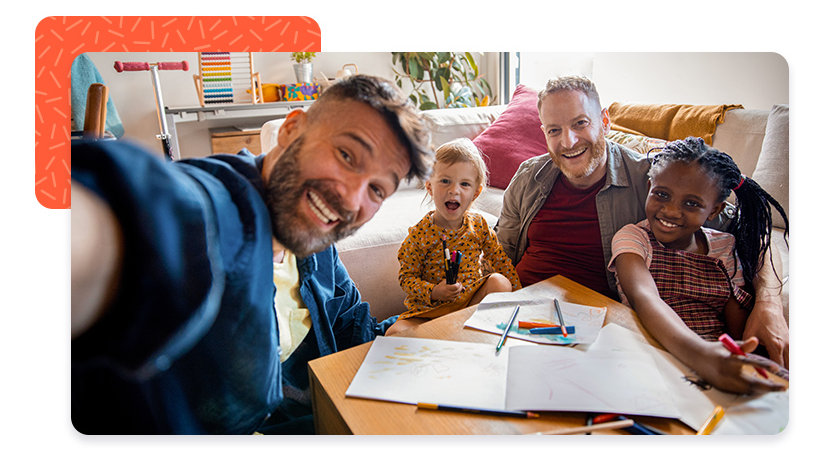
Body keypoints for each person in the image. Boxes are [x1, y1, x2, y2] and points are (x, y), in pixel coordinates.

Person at [71, 74, 433, 434]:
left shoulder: (315, 245)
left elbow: (355, 331)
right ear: (291, 129)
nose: (352, 199)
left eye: (376, 190)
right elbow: (141, 218)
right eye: (346, 155)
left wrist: (426, 331)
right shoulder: (218, 208)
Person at [496, 76, 789, 368]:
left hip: (595, 334)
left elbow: (756, 232)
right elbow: (500, 254)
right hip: (518, 319)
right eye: (554, 130)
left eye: (580, 123)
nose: (568, 141)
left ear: (605, 120)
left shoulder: (656, 185)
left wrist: (769, 303)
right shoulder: (528, 177)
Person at [609, 137, 788, 393]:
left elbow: (736, 323)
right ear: (649, 187)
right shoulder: (633, 238)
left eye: (691, 203)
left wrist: (737, 359)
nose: (671, 211)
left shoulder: (725, 248)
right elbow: (644, 298)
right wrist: (703, 356)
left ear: (714, 211)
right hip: (650, 356)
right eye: (661, 194)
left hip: (716, 364)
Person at [389, 138, 520, 333]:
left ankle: (459, 331)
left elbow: (500, 260)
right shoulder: (419, 235)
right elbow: (406, 278)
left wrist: (520, 297)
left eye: (464, 184)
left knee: (500, 282)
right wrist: (434, 292)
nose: (454, 190)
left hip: (469, 306)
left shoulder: (479, 226)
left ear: (475, 194)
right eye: (445, 181)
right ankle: (451, 332)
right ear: (430, 187)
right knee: (394, 333)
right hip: (430, 313)